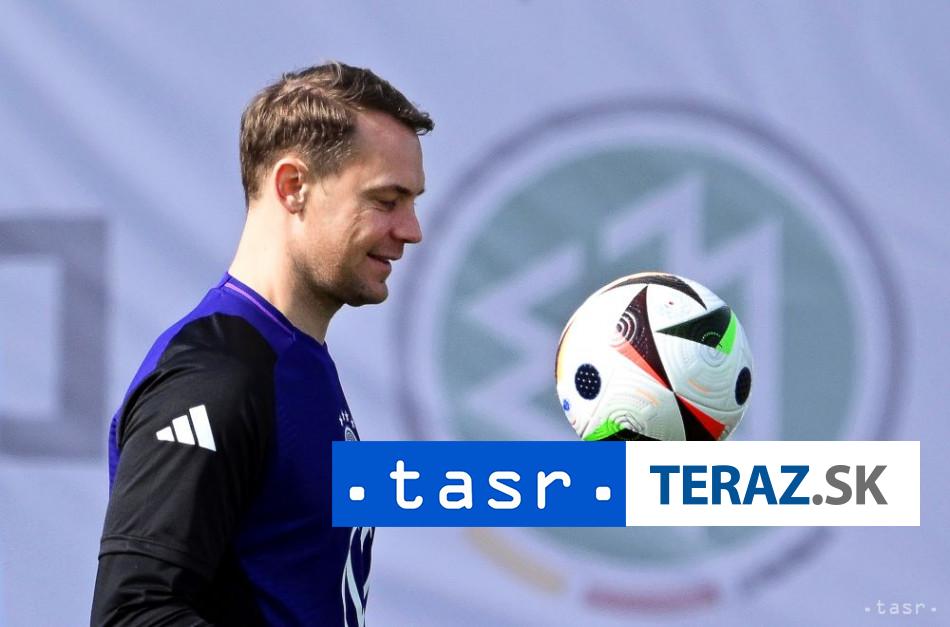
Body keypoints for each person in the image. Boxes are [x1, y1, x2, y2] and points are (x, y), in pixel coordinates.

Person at [91, 61, 433, 626]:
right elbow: (133, 614)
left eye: (413, 201)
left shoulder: (295, 361)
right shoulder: (216, 374)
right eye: (386, 200)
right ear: (293, 187)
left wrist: (594, 484)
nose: (411, 230)